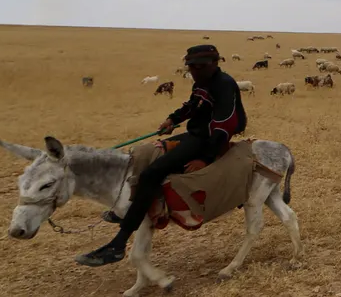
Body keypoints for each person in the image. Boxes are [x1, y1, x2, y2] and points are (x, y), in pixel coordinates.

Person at [76, 44, 247, 267]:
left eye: (200, 66)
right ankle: (136, 206)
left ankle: (118, 244)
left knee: (151, 173)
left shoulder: (224, 84)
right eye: (191, 66)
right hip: (196, 133)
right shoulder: (201, 82)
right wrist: (173, 120)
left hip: (207, 139)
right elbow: (192, 107)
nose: (195, 70)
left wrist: (204, 159)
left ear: (215, 63)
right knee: (147, 153)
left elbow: (225, 126)